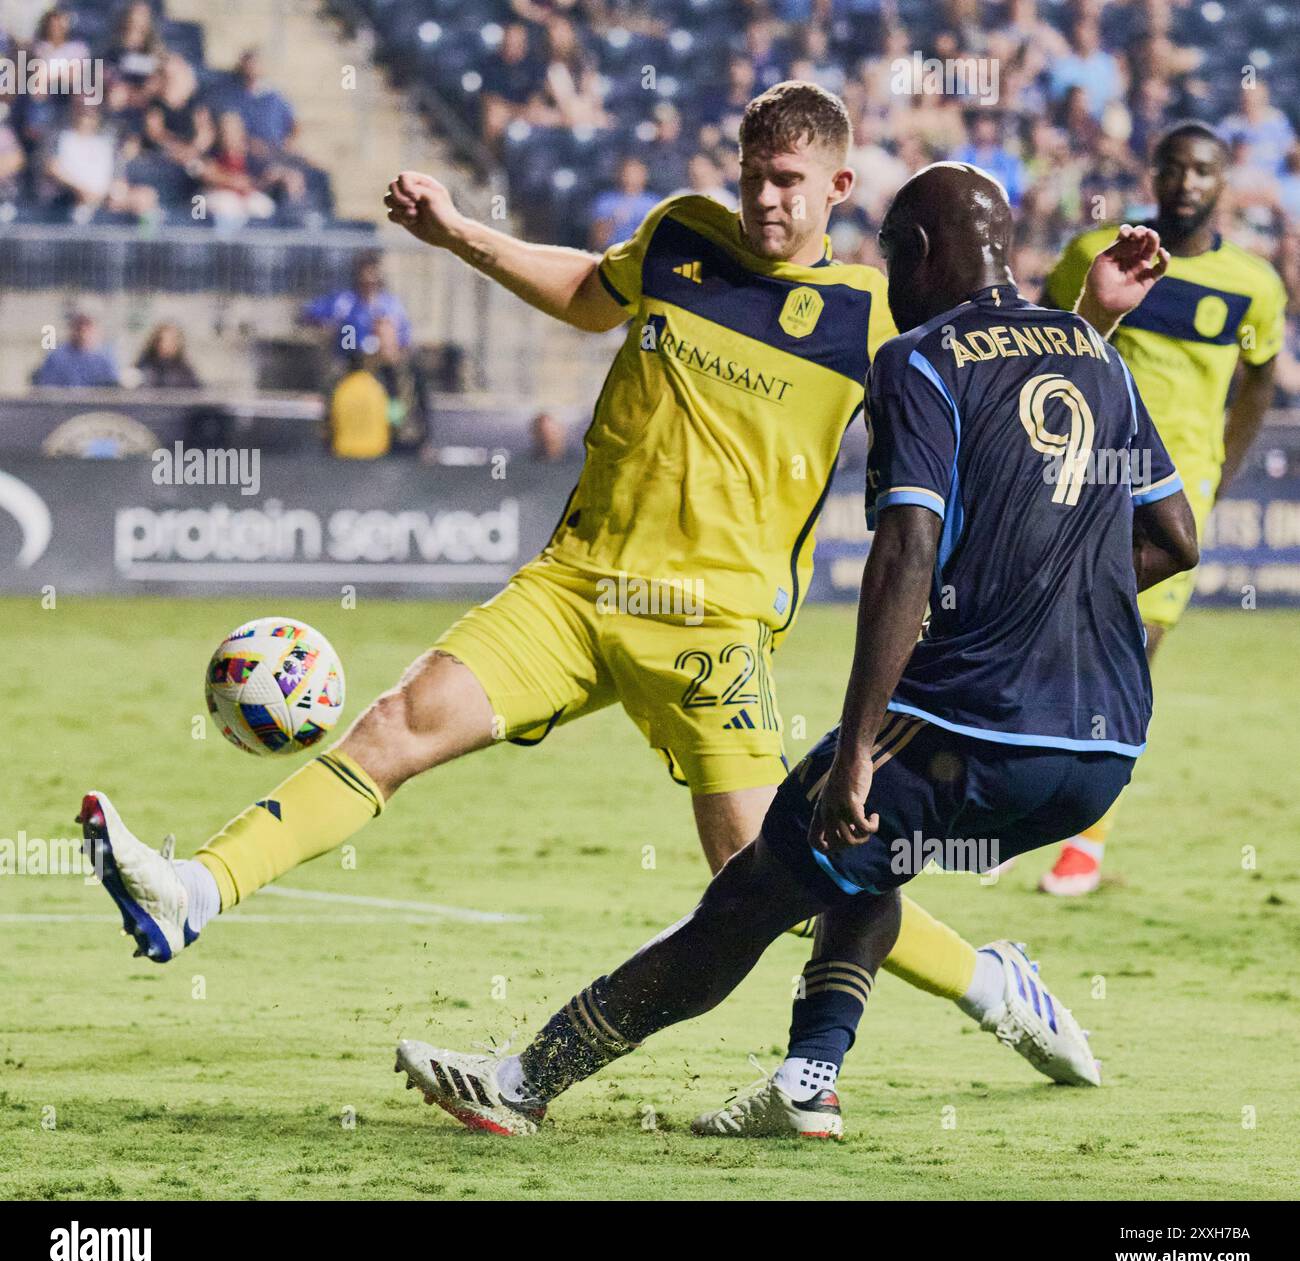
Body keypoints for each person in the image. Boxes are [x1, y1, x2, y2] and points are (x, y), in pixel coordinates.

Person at [80, 84, 1134, 1097]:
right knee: (397, 723)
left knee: (773, 875)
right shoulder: (679, 235)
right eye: (751, 177)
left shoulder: (869, 317)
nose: (764, 199)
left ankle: (993, 985)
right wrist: (460, 235)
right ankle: (194, 891)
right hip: (573, 592)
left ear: (839, 186)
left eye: (786, 181)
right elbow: (588, 292)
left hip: (712, 632)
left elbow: (1008, 381)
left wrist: (1093, 315)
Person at [389, 166, 1198, 1138]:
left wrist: (858, 743)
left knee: (753, 892)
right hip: (1104, 751)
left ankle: (524, 1080)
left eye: (890, 255)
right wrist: (1053, 600)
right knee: (865, 860)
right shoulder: (1089, 352)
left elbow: (902, 553)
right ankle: (810, 1077)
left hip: (976, 725)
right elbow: (1176, 538)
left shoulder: (918, 360)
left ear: (918, 255)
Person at [1038, 120, 1287, 895]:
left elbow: (1261, 378)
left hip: (1171, 504)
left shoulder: (1256, 285)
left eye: (1203, 170)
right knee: (1043, 646)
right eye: (1174, 168)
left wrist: (1219, 465)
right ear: (1153, 173)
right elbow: (1046, 339)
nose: (1187, 182)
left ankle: (1085, 841)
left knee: (1126, 660)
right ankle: (1024, 808)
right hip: (1084, 480)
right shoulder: (1096, 255)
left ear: (1224, 181)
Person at [300, 251, 412, 357]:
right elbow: (309, 313)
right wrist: (325, 327)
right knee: (348, 326)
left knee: (385, 324)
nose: (369, 281)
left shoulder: (391, 305)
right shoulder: (344, 301)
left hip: (383, 362)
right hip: (350, 360)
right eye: (364, 277)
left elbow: (404, 336)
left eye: (373, 276)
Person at [33, 307, 121, 387]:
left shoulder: (105, 358)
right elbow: (46, 388)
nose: (83, 331)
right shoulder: (56, 357)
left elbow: (112, 391)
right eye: (79, 326)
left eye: (88, 326)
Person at [134, 322, 201, 389]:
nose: (166, 344)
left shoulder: (185, 371)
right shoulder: (144, 366)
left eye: (171, 340)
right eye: (163, 340)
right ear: (156, 342)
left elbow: (196, 391)